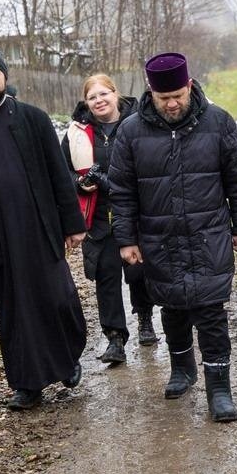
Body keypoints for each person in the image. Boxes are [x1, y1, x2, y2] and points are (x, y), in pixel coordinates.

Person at [107, 52, 237, 423]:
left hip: (209, 236)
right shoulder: (131, 130)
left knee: (211, 313)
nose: (172, 104)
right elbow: (121, 190)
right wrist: (126, 239)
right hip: (159, 238)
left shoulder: (218, 122)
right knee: (171, 308)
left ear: (189, 86)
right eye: (163, 98)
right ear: (151, 94)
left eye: (178, 95)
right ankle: (181, 368)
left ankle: (219, 388)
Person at [0, 47, 88, 411]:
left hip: (40, 229)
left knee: (57, 299)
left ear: (4, 76)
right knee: (13, 311)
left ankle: (67, 360)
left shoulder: (34, 119)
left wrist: (73, 224)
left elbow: (58, 175)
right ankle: (27, 384)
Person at [61, 74, 156, 366]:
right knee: (106, 275)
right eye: (93, 97)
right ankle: (115, 337)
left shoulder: (139, 123)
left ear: (115, 94)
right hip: (98, 214)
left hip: (135, 211)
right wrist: (79, 184)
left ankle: (145, 319)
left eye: (104, 94)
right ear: (86, 102)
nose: (99, 101)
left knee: (138, 271)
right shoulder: (77, 132)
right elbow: (62, 170)